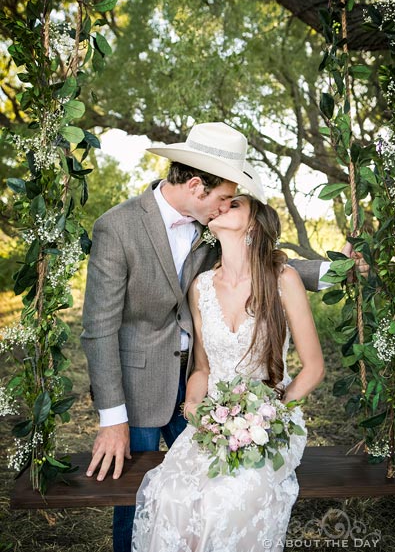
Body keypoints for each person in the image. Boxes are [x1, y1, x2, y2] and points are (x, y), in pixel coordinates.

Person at [80, 121, 365, 552]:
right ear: (196, 186)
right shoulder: (117, 228)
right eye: (223, 198)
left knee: (213, 494)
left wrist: (336, 271)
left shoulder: (210, 224)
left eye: (232, 202)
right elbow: (98, 328)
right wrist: (111, 418)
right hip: (141, 381)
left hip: (210, 385)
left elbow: (267, 265)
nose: (224, 206)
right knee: (144, 497)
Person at [131, 194, 325, 551]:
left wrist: (272, 412)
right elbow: (203, 366)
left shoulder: (284, 280)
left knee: (227, 499)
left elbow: (313, 367)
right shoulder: (201, 287)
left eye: (234, 204)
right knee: (171, 494)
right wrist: (191, 403)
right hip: (214, 423)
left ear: (254, 224)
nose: (221, 206)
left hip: (270, 423)